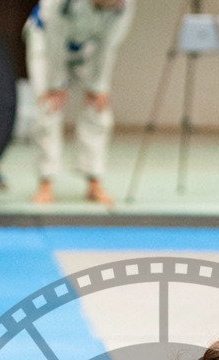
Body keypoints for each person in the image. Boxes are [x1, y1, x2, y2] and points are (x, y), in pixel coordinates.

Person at [24, 0, 135, 206]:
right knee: (48, 107)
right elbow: (54, 37)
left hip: (88, 48)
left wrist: (98, 86)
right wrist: (56, 84)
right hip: (45, 40)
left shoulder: (125, 6)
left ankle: (94, 180)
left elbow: (108, 44)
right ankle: (45, 182)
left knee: (98, 108)